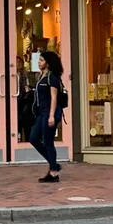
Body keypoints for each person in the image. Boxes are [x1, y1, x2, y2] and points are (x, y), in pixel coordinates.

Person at [29, 50, 65, 183]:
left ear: (48, 63)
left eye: (42, 60)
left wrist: (51, 116)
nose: (39, 62)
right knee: (33, 138)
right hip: (41, 113)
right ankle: (53, 163)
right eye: (39, 60)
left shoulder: (52, 77)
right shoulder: (41, 76)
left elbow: (54, 97)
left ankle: (54, 173)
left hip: (50, 112)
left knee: (48, 142)